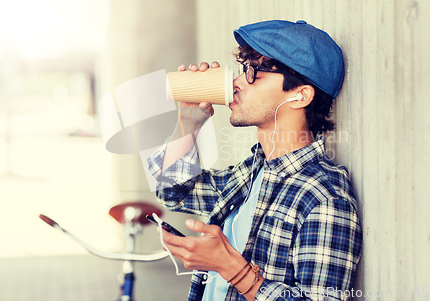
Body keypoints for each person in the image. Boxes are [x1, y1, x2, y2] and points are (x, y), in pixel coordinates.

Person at [148, 20, 363, 301]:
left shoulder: (324, 197)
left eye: (253, 73)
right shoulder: (254, 172)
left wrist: (233, 269)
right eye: (241, 70)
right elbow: (173, 191)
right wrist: (188, 124)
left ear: (300, 95)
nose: (236, 83)